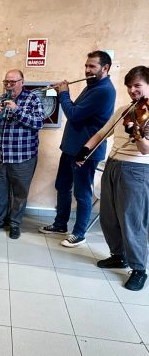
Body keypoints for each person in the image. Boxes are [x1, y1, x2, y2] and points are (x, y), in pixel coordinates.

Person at [76, 66, 149, 291]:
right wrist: (85, 150)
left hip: (137, 170)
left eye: (137, 86)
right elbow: (102, 133)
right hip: (113, 165)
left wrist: (136, 130)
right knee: (109, 215)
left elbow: (145, 149)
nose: (132, 91)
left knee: (132, 220)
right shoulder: (123, 110)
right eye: (129, 87)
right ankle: (119, 255)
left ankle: (139, 269)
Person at [39, 51, 116, 247]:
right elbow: (76, 109)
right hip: (71, 148)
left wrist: (63, 92)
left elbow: (73, 114)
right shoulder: (92, 86)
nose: (87, 70)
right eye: (86, 66)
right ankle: (60, 225)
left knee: (82, 194)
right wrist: (64, 95)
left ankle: (79, 233)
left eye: (92, 67)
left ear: (105, 69)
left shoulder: (104, 90)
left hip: (85, 152)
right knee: (62, 186)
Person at [0, 69, 44, 239]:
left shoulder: (33, 99)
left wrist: (17, 110)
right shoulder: (0, 99)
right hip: (0, 156)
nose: (9, 86)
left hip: (23, 157)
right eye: (6, 83)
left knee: (20, 193)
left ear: (22, 82)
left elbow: (39, 123)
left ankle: (15, 224)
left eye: (12, 82)